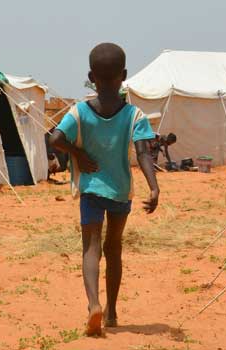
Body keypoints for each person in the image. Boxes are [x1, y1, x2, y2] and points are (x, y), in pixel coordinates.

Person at [49, 43, 159, 336]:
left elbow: (55, 139)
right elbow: (144, 152)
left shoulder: (79, 112)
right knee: (114, 248)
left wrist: (78, 154)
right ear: (124, 75)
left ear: (90, 76)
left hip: (91, 189)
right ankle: (111, 312)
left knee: (91, 248)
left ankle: (93, 304)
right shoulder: (134, 115)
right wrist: (154, 186)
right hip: (121, 191)